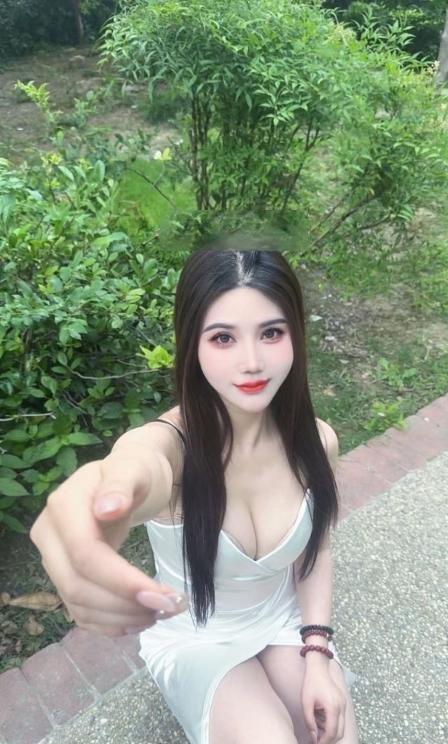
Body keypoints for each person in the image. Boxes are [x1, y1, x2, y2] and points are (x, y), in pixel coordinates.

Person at [30, 238, 360, 744]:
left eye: (271, 332)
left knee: (334, 735)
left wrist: (317, 651)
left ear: (295, 334)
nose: (252, 362)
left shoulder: (317, 442)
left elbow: (316, 552)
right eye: (223, 338)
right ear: (192, 345)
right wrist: (104, 493)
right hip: (198, 635)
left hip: (281, 620)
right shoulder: (175, 450)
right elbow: (141, 462)